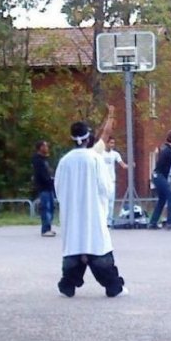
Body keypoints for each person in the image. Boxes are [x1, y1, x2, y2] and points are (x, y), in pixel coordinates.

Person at [54, 121, 128, 298]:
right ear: (88, 138)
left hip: (73, 215)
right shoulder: (95, 159)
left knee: (74, 246)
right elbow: (106, 188)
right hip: (93, 212)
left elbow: (58, 188)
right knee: (98, 247)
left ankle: (68, 284)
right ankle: (113, 286)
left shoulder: (64, 161)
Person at [148, 130, 171, 230]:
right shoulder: (168, 150)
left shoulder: (164, 147)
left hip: (157, 176)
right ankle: (170, 222)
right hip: (159, 176)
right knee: (170, 197)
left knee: (162, 199)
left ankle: (153, 222)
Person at [32, 140, 56, 237]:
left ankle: (48, 227)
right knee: (46, 208)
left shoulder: (45, 159)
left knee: (51, 208)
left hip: (49, 187)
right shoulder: (37, 160)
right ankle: (45, 229)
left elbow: (49, 171)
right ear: (40, 148)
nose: (47, 148)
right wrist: (49, 180)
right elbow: (41, 174)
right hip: (43, 187)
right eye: (45, 146)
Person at [102, 137, 128, 226]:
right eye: (111, 143)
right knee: (103, 201)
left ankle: (109, 222)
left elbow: (122, 164)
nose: (112, 145)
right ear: (106, 143)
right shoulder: (100, 153)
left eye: (113, 143)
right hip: (102, 180)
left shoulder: (115, 154)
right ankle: (102, 221)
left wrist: (129, 166)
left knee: (110, 202)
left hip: (111, 181)